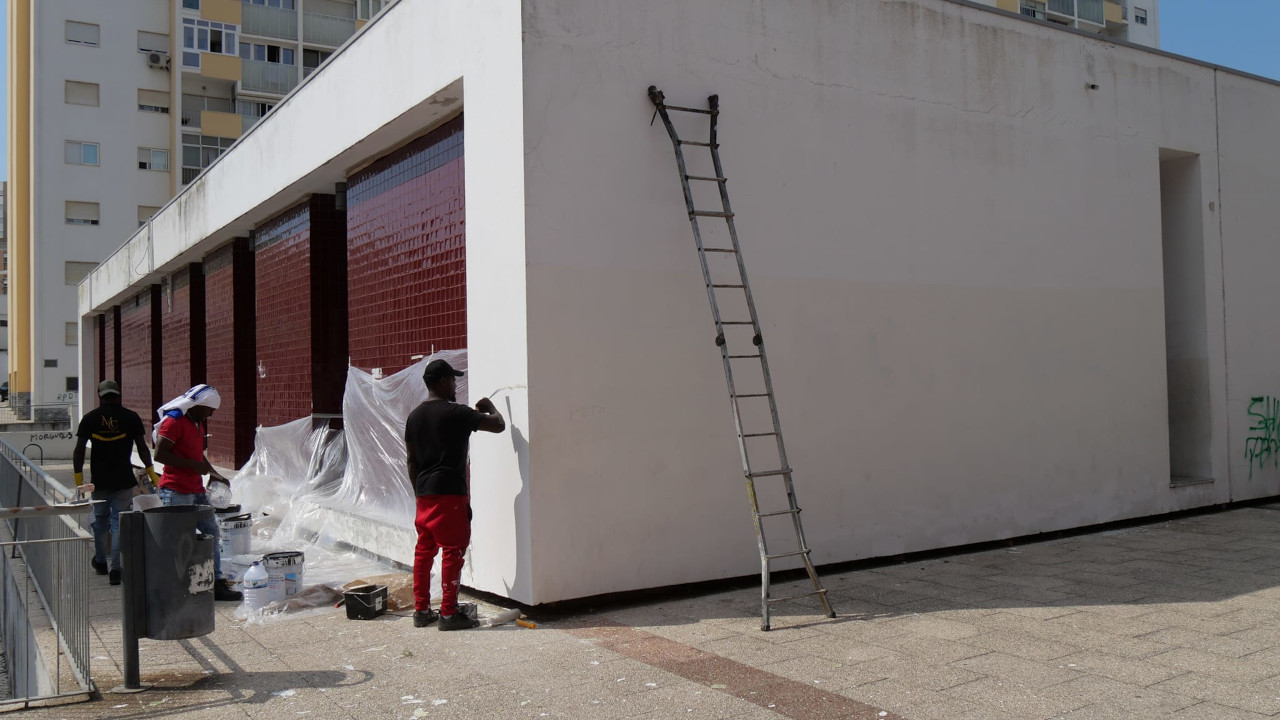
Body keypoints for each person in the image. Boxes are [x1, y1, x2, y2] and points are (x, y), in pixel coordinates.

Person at [405, 359, 505, 630]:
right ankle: (448, 614)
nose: (456, 385)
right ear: (442, 382)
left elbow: (411, 461)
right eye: (452, 380)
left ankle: (421, 611)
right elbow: (497, 425)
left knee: (424, 552)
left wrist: (419, 494)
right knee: (452, 551)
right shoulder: (456, 413)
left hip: (424, 495)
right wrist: (489, 407)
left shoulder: (414, 417)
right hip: (449, 494)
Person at [152, 384, 242, 602]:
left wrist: (214, 474)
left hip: (196, 489)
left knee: (211, 533)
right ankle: (175, 585)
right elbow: (160, 454)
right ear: (198, 405)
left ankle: (216, 582)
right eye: (210, 409)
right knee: (179, 540)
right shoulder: (174, 422)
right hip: (175, 490)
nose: (211, 414)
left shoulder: (197, 423)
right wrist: (193, 466)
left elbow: (198, 455)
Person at [73, 380, 160, 586]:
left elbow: (79, 450)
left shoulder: (90, 419)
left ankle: (101, 561)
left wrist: (78, 477)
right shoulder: (130, 417)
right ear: (118, 395)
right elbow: (142, 448)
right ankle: (116, 569)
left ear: (100, 395)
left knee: (100, 522)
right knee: (118, 523)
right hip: (123, 481)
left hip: (99, 482)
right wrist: (151, 471)